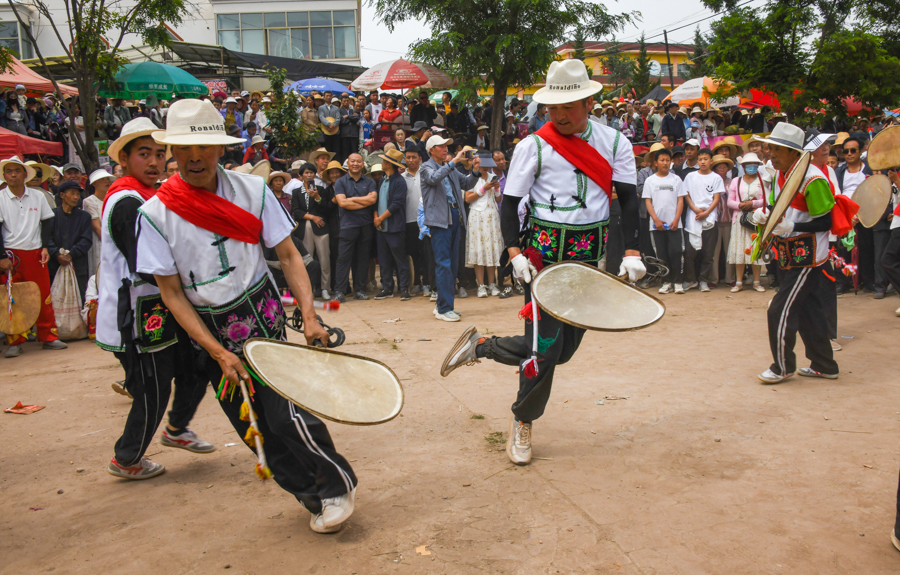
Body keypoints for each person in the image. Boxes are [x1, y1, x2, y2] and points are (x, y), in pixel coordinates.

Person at [135, 99, 356, 533]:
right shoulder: (155, 215)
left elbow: (289, 255)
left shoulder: (253, 192)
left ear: (221, 149)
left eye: (205, 148)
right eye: (184, 148)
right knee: (252, 427)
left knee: (283, 413)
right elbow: (173, 295)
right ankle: (312, 499)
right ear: (171, 153)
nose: (196, 158)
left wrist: (310, 317)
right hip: (210, 334)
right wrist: (217, 352)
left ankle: (337, 485)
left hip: (263, 318)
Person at [439, 60, 645, 465]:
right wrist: (514, 252)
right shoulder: (533, 145)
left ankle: (483, 347)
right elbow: (510, 202)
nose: (560, 115)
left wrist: (633, 250)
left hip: (589, 261)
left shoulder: (616, 144)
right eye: (553, 108)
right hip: (543, 259)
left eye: (568, 107)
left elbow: (631, 200)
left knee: (562, 352)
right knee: (545, 350)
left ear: (589, 101)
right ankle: (522, 421)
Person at [97, 117, 215, 480]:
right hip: (136, 314)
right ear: (124, 160)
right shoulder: (126, 201)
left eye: (159, 154)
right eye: (143, 154)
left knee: (196, 366)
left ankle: (176, 429)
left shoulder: (152, 196)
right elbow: (147, 265)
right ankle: (127, 458)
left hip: (162, 308)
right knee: (152, 388)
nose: (153, 162)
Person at [752, 123, 838, 384]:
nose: (771, 153)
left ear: (794, 153)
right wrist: (767, 213)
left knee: (779, 309)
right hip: (792, 253)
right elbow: (780, 205)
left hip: (808, 258)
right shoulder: (782, 173)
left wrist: (792, 225)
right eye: (771, 148)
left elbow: (826, 222)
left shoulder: (814, 179)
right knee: (808, 311)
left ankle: (782, 367)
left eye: (777, 149)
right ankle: (825, 365)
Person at [0, 157, 68, 357]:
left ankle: (48, 336)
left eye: (17, 171)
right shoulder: (0, 197)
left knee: (42, 295)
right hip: (12, 254)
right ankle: (15, 339)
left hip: (36, 251)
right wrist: (2, 256)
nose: (13, 175)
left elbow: (47, 222)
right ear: (4, 175)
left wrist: (46, 247)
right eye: (9, 171)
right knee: (13, 298)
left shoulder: (37, 197)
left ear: (24, 174)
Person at [420, 134, 480, 321]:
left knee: (452, 264)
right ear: (431, 150)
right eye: (441, 146)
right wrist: (453, 162)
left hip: (455, 216)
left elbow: (468, 183)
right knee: (444, 263)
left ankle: (444, 306)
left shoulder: (450, 168)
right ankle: (444, 308)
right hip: (439, 219)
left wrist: (476, 171)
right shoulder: (426, 167)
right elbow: (434, 178)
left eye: (447, 145)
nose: (446, 148)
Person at [332, 153, 377, 302]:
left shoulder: (369, 182)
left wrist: (352, 199)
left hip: (365, 225)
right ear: (348, 164)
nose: (356, 164)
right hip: (348, 226)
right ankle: (340, 291)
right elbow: (342, 203)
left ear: (363, 164)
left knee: (363, 258)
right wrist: (364, 201)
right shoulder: (341, 182)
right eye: (353, 161)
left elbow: (373, 200)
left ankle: (360, 289)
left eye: (358, 161)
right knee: (343, 259)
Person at [643, 147, 687, 294]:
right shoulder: (650, 181)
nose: (665, 163)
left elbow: (680, 201)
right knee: (661, 254)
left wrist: (676, 219)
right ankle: (666, 281)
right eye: (662, 160)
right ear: (655, 162)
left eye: (668, 160)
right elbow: (648, 202)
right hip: (657, 225)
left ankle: (678, 282)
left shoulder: (676, 180)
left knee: (676, 252)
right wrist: (655, 219)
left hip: (675, 224)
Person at [682, 148, 725, 292]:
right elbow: (686, 194)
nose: (702, 162)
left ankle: (704, 281)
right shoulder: (690, 177)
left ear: (711, 161)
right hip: (693, 217)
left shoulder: (716, 178)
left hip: (710, 217)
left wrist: (706, 212)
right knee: (689, 252)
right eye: (700, 159)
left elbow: (716, 198)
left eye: (705, 159)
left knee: (708, 253)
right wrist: (694, 208)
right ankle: (690, 280)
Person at [464, 153, 504, 297]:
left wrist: (497, 188)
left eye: (488, 165)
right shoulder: (471, 179)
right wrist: (484, 189)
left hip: (492, 215)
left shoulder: (493, 177)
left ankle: (492, 284)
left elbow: (498, 199)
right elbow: (467, 198)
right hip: (477, 216)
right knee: (479, 249)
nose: (486, 167)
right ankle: (481, 285)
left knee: (491, 249)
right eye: (483, 165)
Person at [726, 153, 766, 292]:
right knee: (740, 249)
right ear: (743, 166)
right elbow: (729, 201)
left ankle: (756, 282)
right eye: (749, 165)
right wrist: (740, 205)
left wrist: (753, 203)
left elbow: (767, 200)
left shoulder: (762, 181)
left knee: (755, 249)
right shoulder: (736, 181)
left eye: (754, 165)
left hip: (756, 219)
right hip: (739, 219)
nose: (752, 167)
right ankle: (738, 282)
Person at [373, 149, 410, 300]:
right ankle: (387, 287)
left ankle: (404, 289)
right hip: (381, 227)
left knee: (400, 259)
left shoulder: (399, 181)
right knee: (383, 259)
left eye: (383, 161)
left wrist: (380, 218)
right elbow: (377, 201)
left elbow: (396, 204)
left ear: (389, 163)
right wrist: (377, 218)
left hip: (394, 226)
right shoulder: (382, 180)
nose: (381, 163)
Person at [292, 162, 333, 299]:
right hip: (305, 227)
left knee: (324, 258)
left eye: (311, 173)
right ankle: (308, 288)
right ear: (301, 175)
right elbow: (296, 211)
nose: (309, 175)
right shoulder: (296, 192)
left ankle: (325, 288)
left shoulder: (321, 190)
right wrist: (313, 217)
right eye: (306, 173)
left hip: (321, 227)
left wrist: (318, 198)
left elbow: (327, 209)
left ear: (315, 174)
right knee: (307, 259)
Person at [47, 180, 93, 301]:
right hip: (55, 265)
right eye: (72, 193)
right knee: (55, 301)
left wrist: (71, 254)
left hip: (77, 266)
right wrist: (57, 255)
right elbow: (47, 239)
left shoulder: (84, 217)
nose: (76, 197)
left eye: (77, 194)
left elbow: (86, 240)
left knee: (79, 300)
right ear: (62, 195)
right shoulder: (51, 215)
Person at [402, 147, 427, 295]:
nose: (411, 160)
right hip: (409, 220)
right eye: (408, 157)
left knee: (425, 253)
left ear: (420, 159)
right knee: (413, 253)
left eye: (414, 157)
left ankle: (427, 283)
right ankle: (416, 282)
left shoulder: (425, 174)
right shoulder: (401, 177)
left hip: (425, 221)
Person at [710, 154, 736, 288]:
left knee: (729, 250)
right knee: (714, 252)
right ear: (715, 169)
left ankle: (730, 278)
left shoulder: (732, 182)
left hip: (729, 220)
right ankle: (713, 279)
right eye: (719, 167)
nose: (722, 169)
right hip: (714, 220)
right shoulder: (711, 181)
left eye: (724, 167)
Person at [83, 169, 113, 277]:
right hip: (100, 242)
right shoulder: (89, 201)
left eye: (107, 179)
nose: (106, 182)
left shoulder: (111, 199)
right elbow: (96, 227)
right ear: (94, 183)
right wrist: (109, 244)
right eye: (102, 179)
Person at [318, 92, 341, 158]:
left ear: (332, 97)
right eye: (327, 96)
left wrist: (333, 125)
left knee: (335, 150)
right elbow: (321, 117)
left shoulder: (336, 108)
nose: (328, 97)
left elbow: (338, 118)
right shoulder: (321, 108)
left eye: (330, 96)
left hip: (335, 131)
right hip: (325, 131)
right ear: (324, 97)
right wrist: (329, 124)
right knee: (326, 149)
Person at [338, 95, 359, 164]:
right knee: (345, 153)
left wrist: (347, 117)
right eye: (344, 101)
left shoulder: (352, 110)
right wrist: (351, 118)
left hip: (353, 134)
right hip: (344, 135)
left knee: (354, 151)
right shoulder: (339, 111)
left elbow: (357, 118)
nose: (346, 102)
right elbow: (341, 121)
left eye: (347, 101)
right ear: (341, 102)